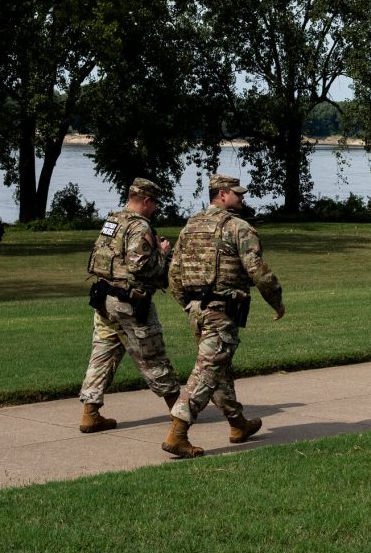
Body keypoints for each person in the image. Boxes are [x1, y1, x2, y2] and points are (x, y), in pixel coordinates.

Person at [162, 174, 285, 458]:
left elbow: (174, 272)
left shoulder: (190, 226)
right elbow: (257, 270)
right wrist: (276, 302)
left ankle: (238, 424)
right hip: (221, 311)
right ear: (222, 195)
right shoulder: (238, 227)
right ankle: (178, 432)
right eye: (237, 193)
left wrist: (189, 304)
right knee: (207, 372)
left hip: (197, 311)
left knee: (219, 370)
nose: (242, 197)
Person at [77, 177, 182, 433]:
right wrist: (162, 252)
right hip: (129, 302)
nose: (156, 208)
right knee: (152, 355)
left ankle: (90, 414)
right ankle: (181, 413)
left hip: (104, 298)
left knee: (103, 354)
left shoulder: (114, 220)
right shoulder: (139, 226)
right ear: (146, 201)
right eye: (155, 202)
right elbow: (140, 265)